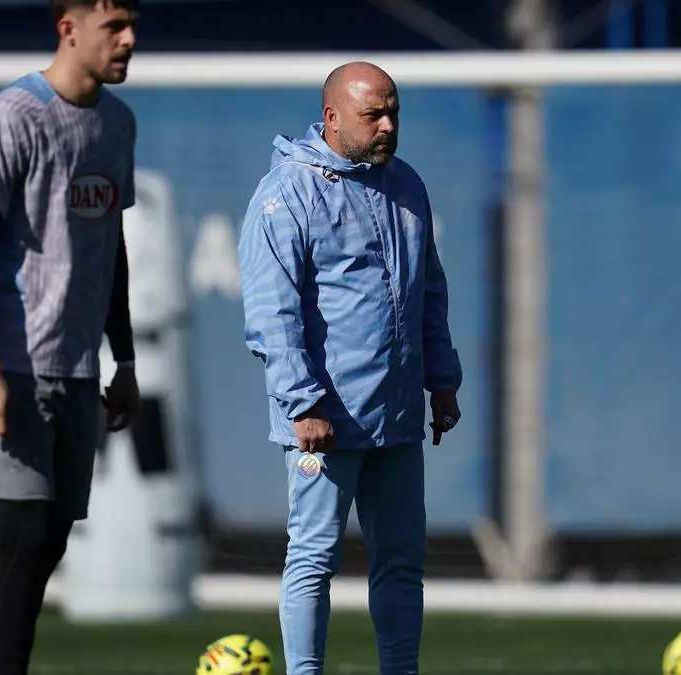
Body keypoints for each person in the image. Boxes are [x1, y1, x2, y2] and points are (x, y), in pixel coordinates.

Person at [238, 61, 464, 675]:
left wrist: (441, 379)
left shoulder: (407, 184)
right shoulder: (287, 193)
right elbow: (271, 312)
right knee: (314, 557)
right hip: (326, 420)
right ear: (333, 117)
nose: (388, 126)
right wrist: (303, 402)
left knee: (402, 562)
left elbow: (428, 291)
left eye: (394, 113)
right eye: (373, 115)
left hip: (397, 414)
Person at [0, 1, 141, 673]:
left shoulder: (118, 123)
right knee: (25, 534)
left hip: (79, 366)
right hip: (11, 363)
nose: (129, 39)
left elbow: (112, 249)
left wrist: (125, 358)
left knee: (51, 537)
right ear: (68, 29)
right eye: (114, 26)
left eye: (133, 25)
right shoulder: (8, 118)